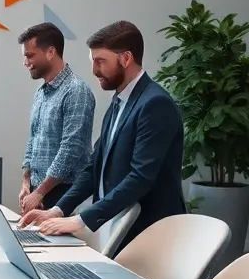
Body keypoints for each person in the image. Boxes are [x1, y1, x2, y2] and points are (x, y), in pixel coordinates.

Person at [20, 21, 185, 252]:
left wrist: (80, 220)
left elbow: (140, 178)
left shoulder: (155, 103)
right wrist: (57, 210)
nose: (94, 70)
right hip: (116, 226)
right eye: (93, 61)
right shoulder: (119, 102)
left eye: (100, 61)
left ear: (125, 58)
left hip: (148, 232)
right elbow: (93, 167)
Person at [18, 22, 95, 214]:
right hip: (40, 191)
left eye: (30, 55)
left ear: (50, 52)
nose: (25, 62)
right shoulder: (40, 93)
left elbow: (71, 148)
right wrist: (26, 182)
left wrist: (39, 192)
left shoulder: (76, 91)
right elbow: (33, 139)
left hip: (65, 194)